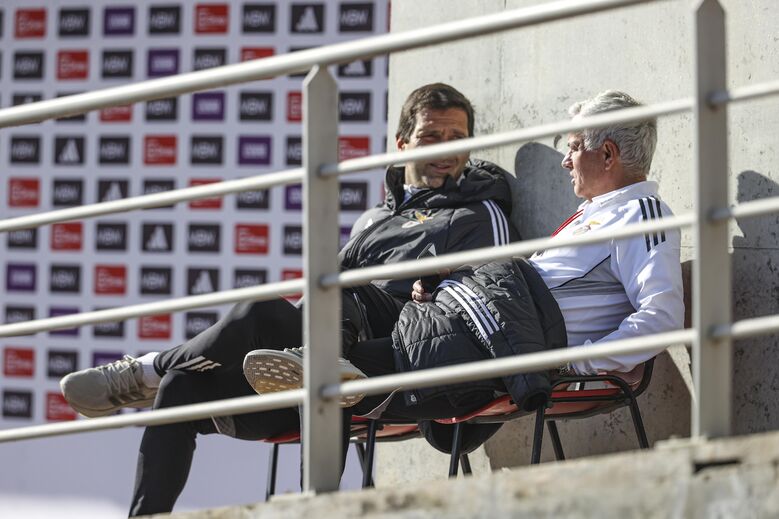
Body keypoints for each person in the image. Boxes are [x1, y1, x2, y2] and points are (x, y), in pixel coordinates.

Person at [59, 82, 521, 516]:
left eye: (456, 136)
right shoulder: (372, 220)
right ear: (402, 143)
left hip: (397, 353)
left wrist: (435, 291)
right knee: (184, 388)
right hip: (329, 366)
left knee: (285, 311)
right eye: (431, 135)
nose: (445, 147)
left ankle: (148, 370)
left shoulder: (480, 214)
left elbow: (501, 293)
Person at [247, 89, 684, 453]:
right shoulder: (595, 214)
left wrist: (578, 361)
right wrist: (452, 282)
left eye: (573, 147)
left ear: (607, 154)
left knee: (334, 379)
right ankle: (287, 379)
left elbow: (662, 317)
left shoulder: (642, 214)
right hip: (474, 325)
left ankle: (267, 404)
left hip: (500, 346)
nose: (566, 162)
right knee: (334, 345)